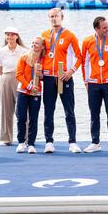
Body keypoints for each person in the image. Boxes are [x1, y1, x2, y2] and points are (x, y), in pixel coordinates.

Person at [81, 16, 108, 153]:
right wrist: (86, 81)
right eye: (104, 27)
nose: (107, 29)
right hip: (93, 84)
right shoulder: (87, 41)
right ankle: (95, 142)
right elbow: (85, 63)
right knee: (94, 114)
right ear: (96, 29)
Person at [41, 8, 83, 153]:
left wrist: (71, 71)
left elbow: (80, 57)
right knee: (48, 110)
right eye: (51, 16)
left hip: (64, 77)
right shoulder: (44, 35)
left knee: (69, 111)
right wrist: (38, 72)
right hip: (48, 78)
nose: (54, 19)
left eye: (56, 16)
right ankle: (49, 141)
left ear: (62, 17)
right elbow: (40, 55)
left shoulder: (70, 36)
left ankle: (72, 142)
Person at [0, 27, 27, 146]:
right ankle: (6, 138)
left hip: (21, 78)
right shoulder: (1, 51)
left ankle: (26, 138)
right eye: (8, 35)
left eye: (12, 35)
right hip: (6, 78)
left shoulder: (24, 51)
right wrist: (7, 78)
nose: (10, 37)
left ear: (17, 36)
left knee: (23, 109)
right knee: (6, 109)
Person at [15, 36, 46, 154]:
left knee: (34, 118)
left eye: (37, 43)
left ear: (42, 46)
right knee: (21, 117)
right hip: (23, 91)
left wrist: (41, 76)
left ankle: (31, 144)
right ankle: (21, 142)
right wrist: (28, 86)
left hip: (36, 92)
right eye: (32, 43)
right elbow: (18, 75)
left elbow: (45, 76)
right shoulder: (24, 57)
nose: (34, 45)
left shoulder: (44, 60)